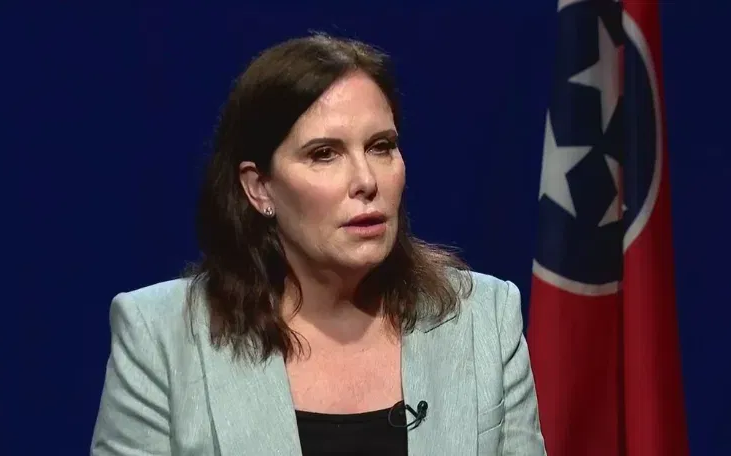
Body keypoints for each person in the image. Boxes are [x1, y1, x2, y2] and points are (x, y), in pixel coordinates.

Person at [90, 33, 546, 456]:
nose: (366, 181)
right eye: (324, 154)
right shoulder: (161, 337)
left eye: (381, 146)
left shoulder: (483, 319)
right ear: (260, 188)